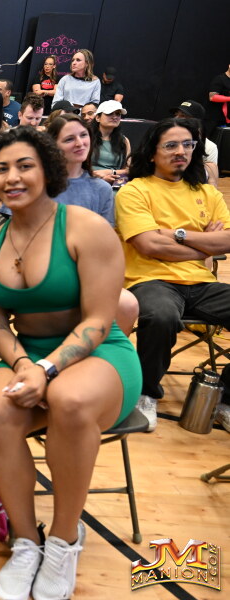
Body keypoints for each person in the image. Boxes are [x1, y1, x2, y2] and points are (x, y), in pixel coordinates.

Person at [0, 126, 141, 600]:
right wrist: (25, 365)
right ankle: (27, 540)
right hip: (27, 353)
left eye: (24, 166)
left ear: (47, 170)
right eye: (1, 169)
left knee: (69, 399)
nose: (12, 177)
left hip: (100, 353)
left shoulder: (87, 229)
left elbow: (98, 321)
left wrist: (46, 370)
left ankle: (65, 539)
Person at [115, 118, 230, 432]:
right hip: (149, 280)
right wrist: (203, 245)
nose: (181, 151)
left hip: (201, 283)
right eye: (171, 145)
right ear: (153, 153)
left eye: (188, 144)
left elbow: (227, 241)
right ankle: (145, 394)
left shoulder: (208, 194)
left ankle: (225, 398)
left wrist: (175, 234)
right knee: (161, 316)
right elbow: (148, 245)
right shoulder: (134, 191)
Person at [47, 113, 140, 336]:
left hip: (86, 271)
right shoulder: (37, 183)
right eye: (69, 139)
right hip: (43, 268)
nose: (80, 143)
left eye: (83, 135)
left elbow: (104, 244)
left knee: (127, 304)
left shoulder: (101, 189)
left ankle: (100, 351)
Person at [172, 100, 220, 183]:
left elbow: (211, 178)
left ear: (197, 121)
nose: (176, 118)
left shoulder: (209, 146)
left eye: (183, 116)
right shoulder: (164, 139)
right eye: (176, 115)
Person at [90, 100, 131, 187]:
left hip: (114, 184)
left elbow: (129, 169)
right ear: (97, 118)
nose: (115, 117)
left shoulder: (124, 141)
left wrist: (110, 172)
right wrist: (100, 178)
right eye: (109, 113)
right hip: (88, 181)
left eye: (118, 114)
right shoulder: (87, 137)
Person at [206, 62, 230, 139]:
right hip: (216, 118)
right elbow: (212, 97)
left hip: (227, 119)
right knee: (208, 139)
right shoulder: (220, 79)